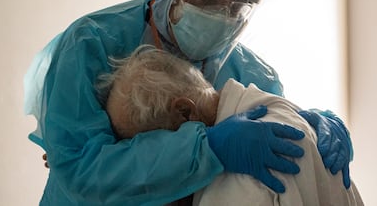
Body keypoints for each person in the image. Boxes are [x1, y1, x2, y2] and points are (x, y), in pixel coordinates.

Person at [24, 0, 353, 205]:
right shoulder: (92, 42)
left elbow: (277, 133)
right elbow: (80, 168)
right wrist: (206, 148)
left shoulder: (251, 72)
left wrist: (312, 124)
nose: (220, 16)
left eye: (236, 8)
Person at [96, 44, 363, 206]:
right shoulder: (281, 112)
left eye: (152, 143)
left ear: (185, 112)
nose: (158, 163)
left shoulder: (238, 181)